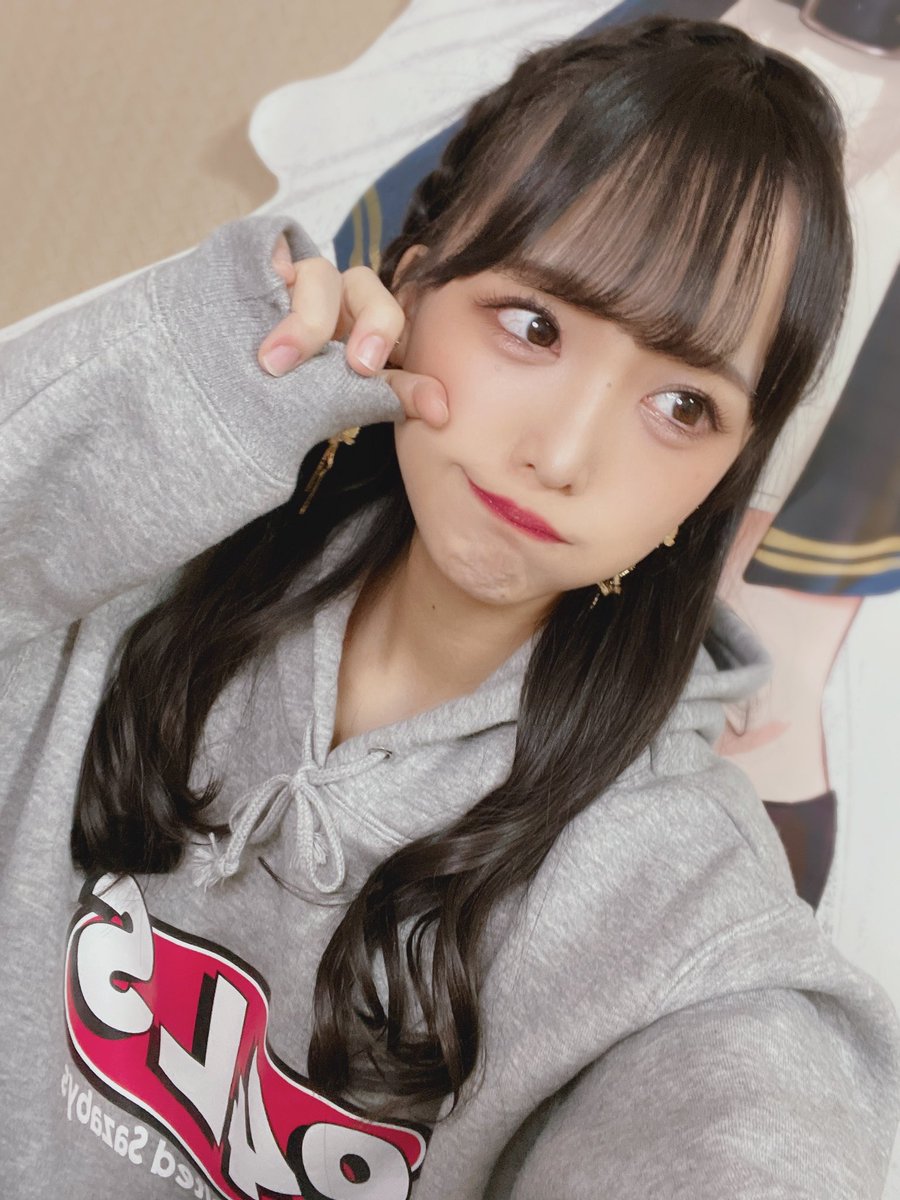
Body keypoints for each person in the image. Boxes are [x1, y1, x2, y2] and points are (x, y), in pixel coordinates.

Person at [1, 14, 898, 1200]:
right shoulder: (115, 565)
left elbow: (750, 1132)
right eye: (534, 326)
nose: (563, 455)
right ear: (412, 285)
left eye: (683, 406)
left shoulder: (676, 903)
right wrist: (211, 380)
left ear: (720, 477)